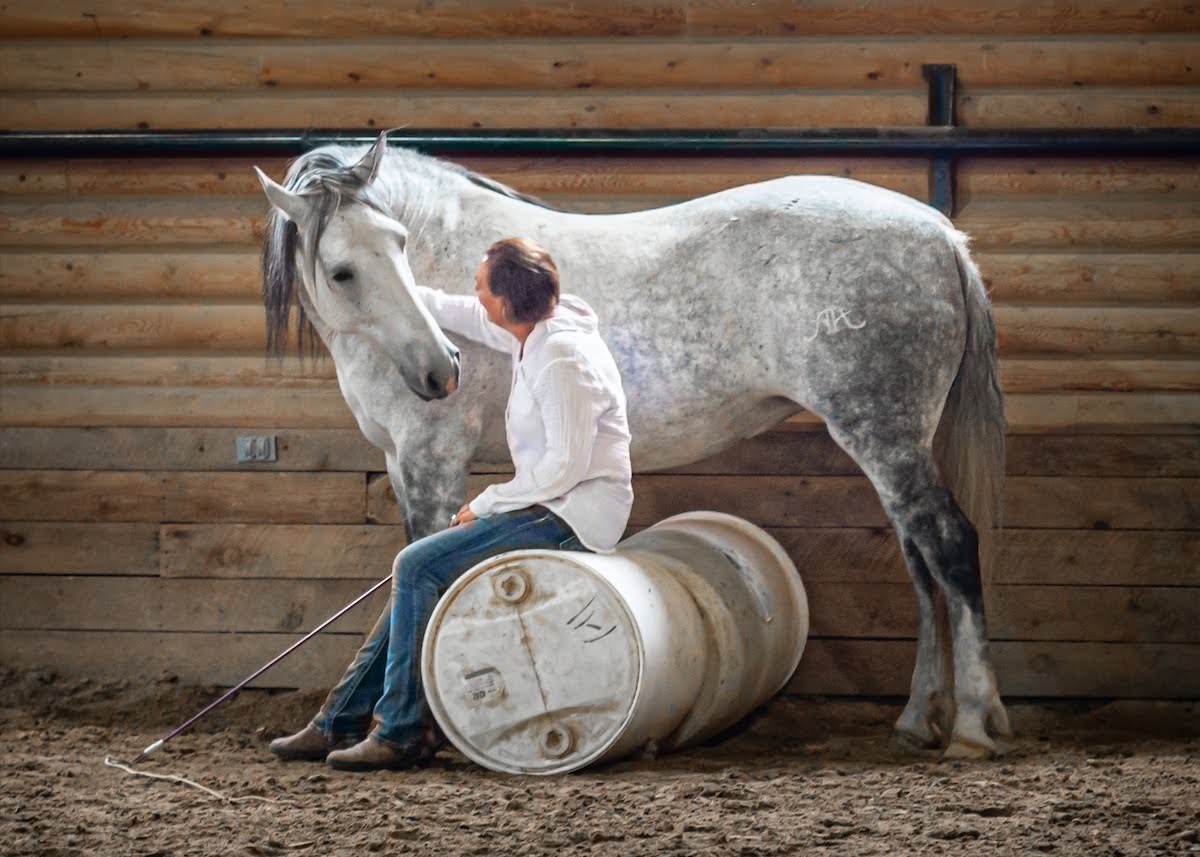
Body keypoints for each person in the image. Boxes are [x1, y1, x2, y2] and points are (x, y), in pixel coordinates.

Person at [268, 237, 634, 771]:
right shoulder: (533, 330)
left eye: (482, 287)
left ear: (507, 303)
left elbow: (567, 468)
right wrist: (391, 295)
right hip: (549, 503)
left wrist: (486, 504)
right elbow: (460, 311)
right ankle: (339, 721)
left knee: (416, 563)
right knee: (420, 572)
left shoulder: (562, 359)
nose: (475, 294)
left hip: (576, 514)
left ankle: (401, 730)